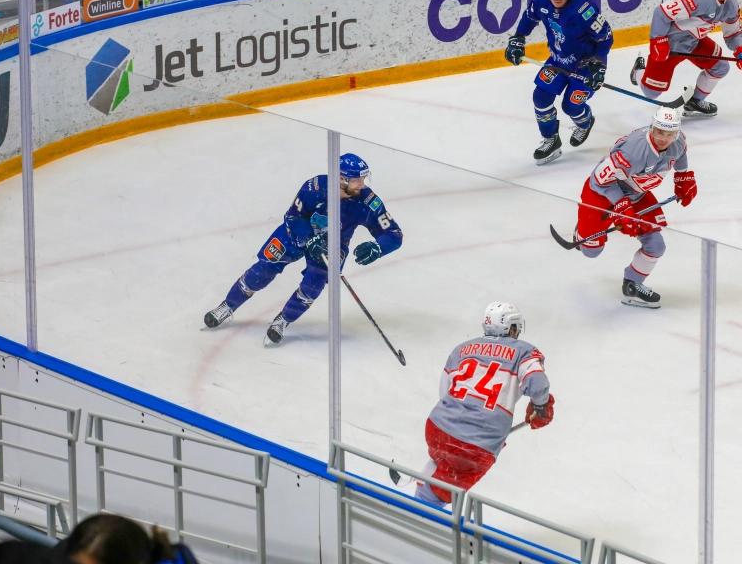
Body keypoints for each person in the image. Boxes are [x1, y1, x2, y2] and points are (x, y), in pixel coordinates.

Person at [204, 154, 404, 344]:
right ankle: (228, 305)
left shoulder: (367, 201)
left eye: (363, 179)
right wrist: (308, 238)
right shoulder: (314, 187)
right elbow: (292, 216)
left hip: (333, 245)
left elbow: (394, 235)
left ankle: (283, 319)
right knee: (262, 270)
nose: (362, 185)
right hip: (296, 234)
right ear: (341, 179)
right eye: (356, 180)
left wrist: (378, 247)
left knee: (312, 286)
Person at [414, 303, 553, 507]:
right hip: (475, 445)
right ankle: (418, 526)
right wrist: (541, 406)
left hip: (437, 428)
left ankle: (422, 491)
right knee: (439, 494)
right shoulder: (524, 351)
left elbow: (445, 391)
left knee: (442, 463)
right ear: (510, 328)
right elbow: (537, 382)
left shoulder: (462, 349)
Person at [564, 106, 697, 308]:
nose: (664, 138)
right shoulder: (633, 150)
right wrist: (622, 205)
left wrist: (683, 177)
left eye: (670, 134)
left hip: (637, 192)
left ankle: (632, 285)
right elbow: (599, 180)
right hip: (601, 193)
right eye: (660, 132)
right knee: (591, 251)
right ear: (652, 128)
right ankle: (581, 233)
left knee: (656, 246)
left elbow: (680, 154)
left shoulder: (678, 141)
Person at [503, 0, 613, 164]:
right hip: (557, 60)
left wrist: (599, 64)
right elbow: (529, 18)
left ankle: (585, 123)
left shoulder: (585, 9)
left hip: (585, 66)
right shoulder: (540, 0)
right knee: (540, 97)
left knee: (571, 106)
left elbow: (606, 37)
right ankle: (550, 140)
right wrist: (518, 38)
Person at [628, 0, 742, 119]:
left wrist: (741, 50)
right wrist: (658, 40)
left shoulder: (731, 6)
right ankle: (638, 71)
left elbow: (734, 33)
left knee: (721, 67)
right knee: (651, 92)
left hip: (694, 42)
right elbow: (662, 12)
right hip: (672, 45)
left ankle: (695, 101)